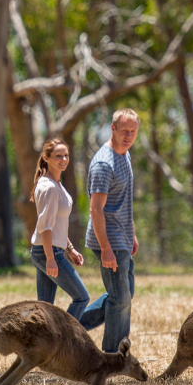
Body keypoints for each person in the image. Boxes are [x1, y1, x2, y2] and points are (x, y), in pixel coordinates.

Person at [79, 108, 140, 352]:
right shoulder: (103, 164)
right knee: (120, 299)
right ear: (112, 128)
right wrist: (106, 249)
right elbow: (96, 210)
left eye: (133, 131)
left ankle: (69, 328)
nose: (128, 136)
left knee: (124, 295)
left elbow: (123, 200)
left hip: (122, 237)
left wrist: (131, 233)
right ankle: (114, 355)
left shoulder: (125, 155)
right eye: (124, 130)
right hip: (108, 239)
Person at [29, 138, 90, 319]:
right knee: (81, 297)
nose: (63, 159)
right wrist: (50, 258)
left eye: (66, 155)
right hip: (48, 252)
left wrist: (70, 248)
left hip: (51, 250)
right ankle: (65, 338)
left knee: (45, 308)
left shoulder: (56, 184)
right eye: (58, 156)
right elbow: (45, 227)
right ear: (46, 158)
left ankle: (42, 345)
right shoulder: (49, 188)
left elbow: (57, 225)